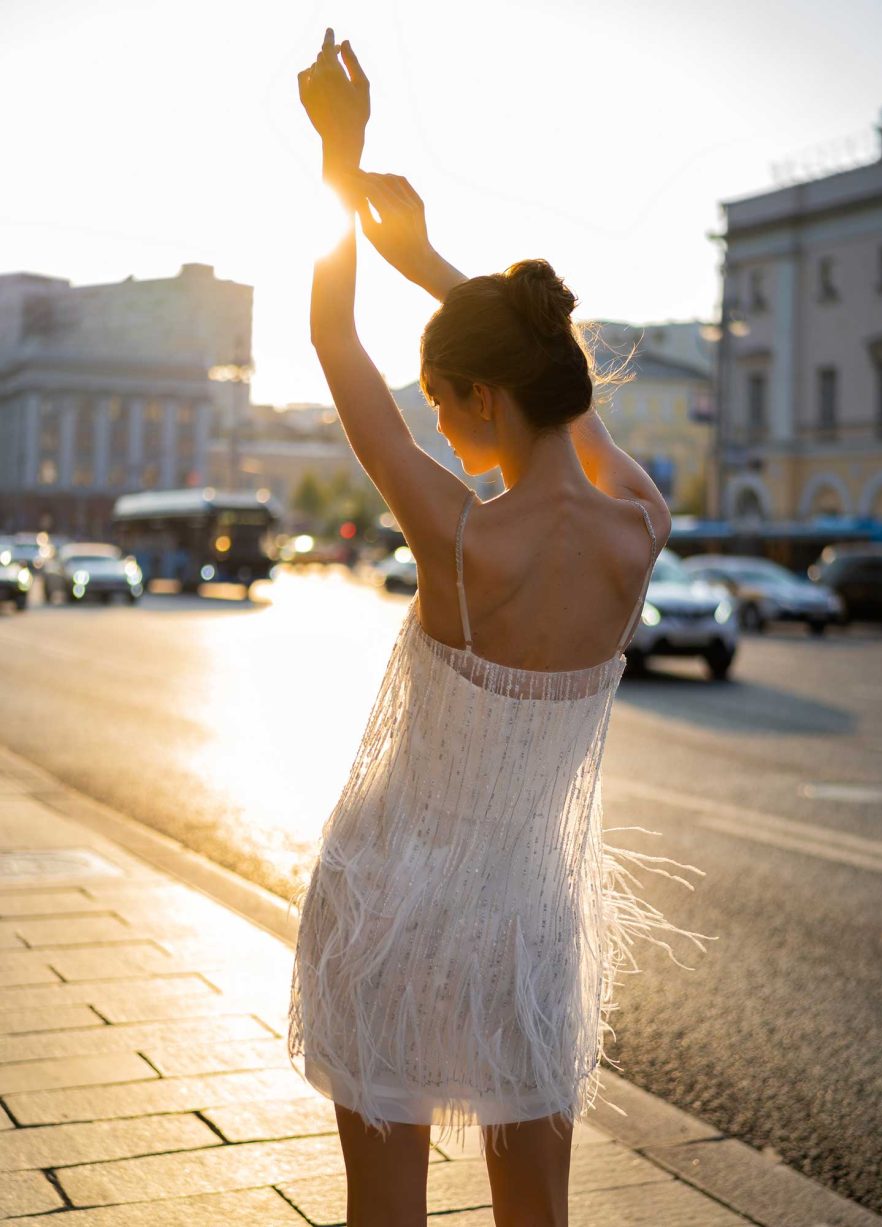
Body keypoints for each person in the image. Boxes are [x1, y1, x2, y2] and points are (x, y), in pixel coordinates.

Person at [288, 29, 714, 1227]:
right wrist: (433, 267)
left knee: (388, 1214)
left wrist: (338, 159)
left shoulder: (464, 541)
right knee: (538, 1211)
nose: (442, 425)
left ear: (478, 395)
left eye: (443, 402)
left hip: (390, 898)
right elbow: (558, 400)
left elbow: (332, 344)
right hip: (526, 914)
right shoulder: (640, 524)